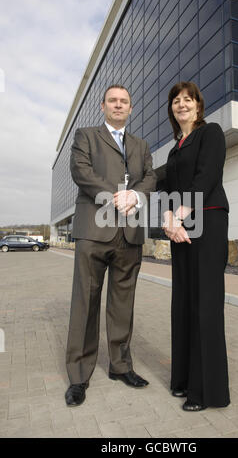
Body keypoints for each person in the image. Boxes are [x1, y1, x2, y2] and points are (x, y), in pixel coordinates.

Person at [65, 85, 157, 406]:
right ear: (103, 106)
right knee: (85, 303)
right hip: (93, 231)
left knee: (122, 305)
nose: (118, 105)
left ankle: (120, 366)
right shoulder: (85, 136)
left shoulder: (141, 145)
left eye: (124, 102)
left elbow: (149, 177)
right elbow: (81, 172)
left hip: (129, 235)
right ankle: (78, 376)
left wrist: (136, 195)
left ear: (131, 108)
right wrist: (115, 196)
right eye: (113, 101)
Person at [162, 81, 230, 411]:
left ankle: (206, 392)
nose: (182, 104)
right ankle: (184, 380)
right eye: (176, 101)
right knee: (184, 301)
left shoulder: (211, 133)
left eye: (187, 100)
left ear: (198, 105)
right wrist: (168, 219)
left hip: (208, 221)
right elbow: (164, 188)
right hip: (180, 229)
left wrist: (180, 216)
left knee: (205, 303)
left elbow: (207, 176)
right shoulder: (175, 149)